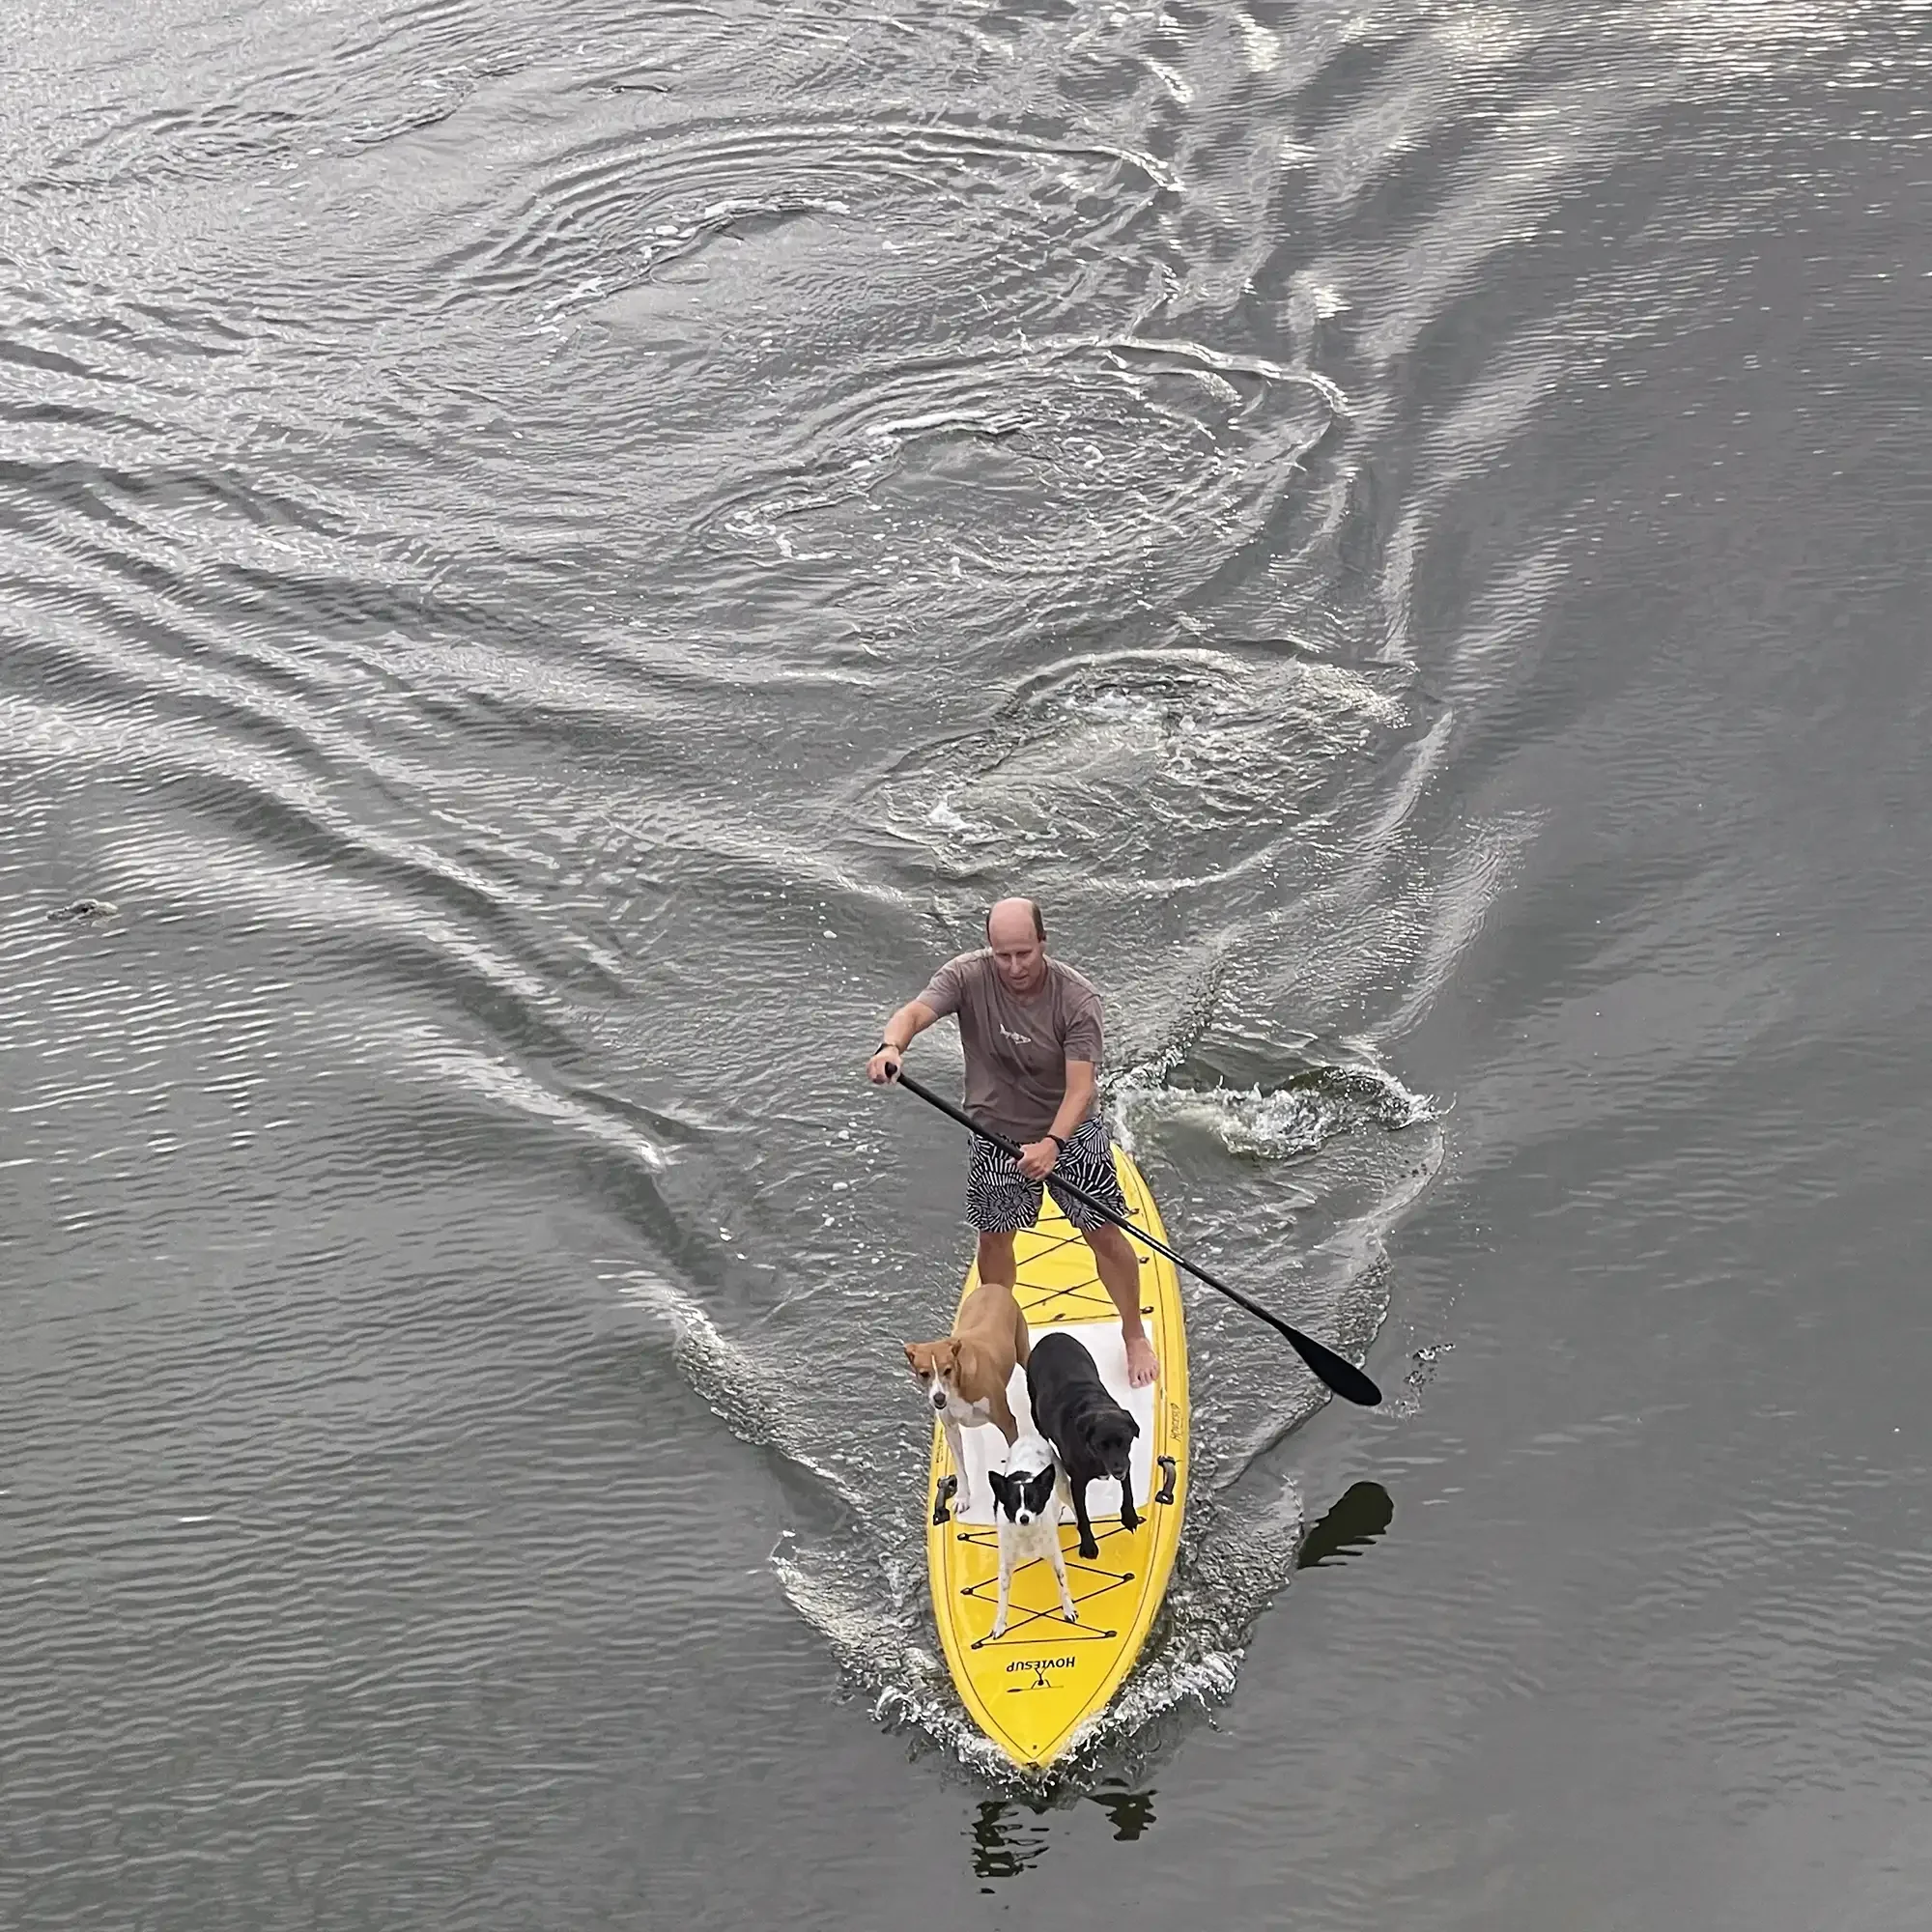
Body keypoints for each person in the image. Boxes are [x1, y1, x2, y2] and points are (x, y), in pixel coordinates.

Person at [867, 897, 1157, 1389]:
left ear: (1043, 943)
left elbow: (1081, 1088)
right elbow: (915, 1012)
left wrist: (1052, 1144)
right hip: (995, 1134)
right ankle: (993, 1336)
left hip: (1069, 1132)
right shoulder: (966, 976)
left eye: (1025, 953)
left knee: (1104, 1234)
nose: (1014, 966)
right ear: (990, 949)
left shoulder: (1078, 1001)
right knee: (993, 1238)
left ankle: (1132, 1333)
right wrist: (891, 1045)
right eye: (1003, 955)